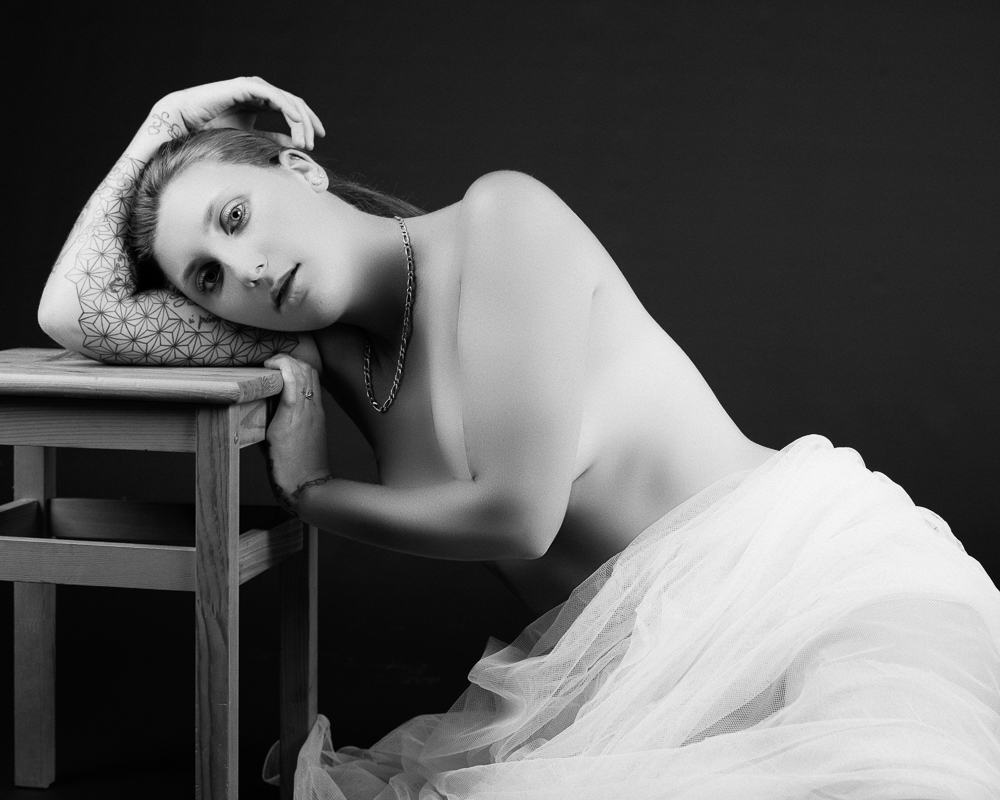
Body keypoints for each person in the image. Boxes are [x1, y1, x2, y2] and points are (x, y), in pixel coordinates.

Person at [38, 78, 1000, 799]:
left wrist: (313, 492)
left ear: (298, 165)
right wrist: (162, 123)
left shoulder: (504, 218)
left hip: (799, 591)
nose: (242, 268)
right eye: (207, 276)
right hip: (631, 674)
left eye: (235, 217)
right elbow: (75, 312)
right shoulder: (322, 343)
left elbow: (519, 517)